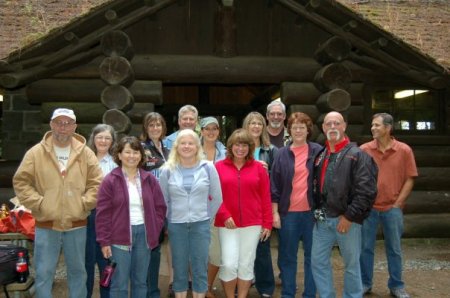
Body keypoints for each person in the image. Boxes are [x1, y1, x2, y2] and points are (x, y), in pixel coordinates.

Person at [13, 108, 103, 298]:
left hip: (76, 224)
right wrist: (39, 203)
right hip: (46, 224)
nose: (63, 127)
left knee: (78, 272)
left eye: (68, 123)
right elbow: (21, 181)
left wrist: (84, 203)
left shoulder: (85, 153)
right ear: (52, 125)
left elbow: (97, 183)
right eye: (59, 123)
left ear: (74, 127)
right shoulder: (36, 153)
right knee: (44, 273)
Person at [311, 111, 378, 298]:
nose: (332, 127)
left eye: (336, 123)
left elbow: (367, 192)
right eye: (328, 124)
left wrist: (350, 216)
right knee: (318, 262)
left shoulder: (358, 155)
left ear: (344, 126)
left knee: (351, 264)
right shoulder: (320, 155)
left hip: (346, 222)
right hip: (322, 221)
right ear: (323, 128)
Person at [96, 136, 167, 298]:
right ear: (119, 155)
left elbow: (160, 207)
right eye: (127, 152)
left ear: (141, 156)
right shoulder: (110, 181)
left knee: (140, 282)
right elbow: (103, 213)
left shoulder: (149, 179)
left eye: (136, 152)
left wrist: (154, 230)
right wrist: (104, 241)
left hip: (144, 235)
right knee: (119, 283)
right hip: (118, 237)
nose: (132, 156)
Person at [360, 113, 418, 298]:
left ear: (388, 128)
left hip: (392, 209)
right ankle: (365, 284)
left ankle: (396, 286)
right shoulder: (364, 150)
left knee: (394, 248)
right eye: (372, 125)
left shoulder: (404, 150)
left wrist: (398, 203)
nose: (373, 128)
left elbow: (410, 178)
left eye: (377, 125)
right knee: (365, 248)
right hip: (368, 209)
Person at [159, 129, 223, 298]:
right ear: (176, 146)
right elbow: (162, 200)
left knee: (199, 267)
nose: (186, 146)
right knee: (179, 267)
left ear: (197, 146)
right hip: (176, 225)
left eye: (191, 143)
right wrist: (170, 219)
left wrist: (206, 217)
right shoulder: (167, 170)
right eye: (183, 143)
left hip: (200, 224)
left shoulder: (208, 167)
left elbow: (217, 197)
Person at [214, 128, 273, 298]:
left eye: (245, 145)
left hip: (253, 223)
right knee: (229, 263)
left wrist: (267, 223)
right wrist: (224, 215)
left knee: (246, 263)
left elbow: (265, 197)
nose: (241, 149)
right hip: (227, 223)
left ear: (250, 148)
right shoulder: (218, 167)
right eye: (237, 145)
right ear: (230, 146)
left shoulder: (259, 168)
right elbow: (213, 195)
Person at [271, 112, 322, 298]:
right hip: (288, 214)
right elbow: (274, 185)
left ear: (308, 130)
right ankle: (288, 293)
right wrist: (274, 213)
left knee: (312, 257)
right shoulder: (282, 154)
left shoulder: (318, 151)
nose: (298, 130)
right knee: (287, 257)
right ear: (289, 130)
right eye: (294, 127)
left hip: (311, 214)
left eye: (302, 127)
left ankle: (309, 294)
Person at [242, 111, 277, 298]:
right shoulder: (238, 148)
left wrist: (268, 169)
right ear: (246, 126)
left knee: (262, 247)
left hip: (262, 203)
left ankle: (265, 287)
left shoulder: (270, 150)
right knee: (243, 249)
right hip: (243, 203)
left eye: (259, 124)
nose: (256, 127)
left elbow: (278, 178)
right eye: (252, 123)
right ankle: (244, 283)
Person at [140, 112, 171, 298]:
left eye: (158, 125)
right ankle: (145, 290)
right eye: (151, 125)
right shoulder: (141, 148)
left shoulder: (167, 149)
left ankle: (152, 290)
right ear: (146, 128)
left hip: (164, 207)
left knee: (156, 248)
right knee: (147, 250)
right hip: (147, 207)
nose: (155, 128)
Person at [86, 124, 118, 298]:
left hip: (108, 217)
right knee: (87, 261)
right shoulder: (84, 159)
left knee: (106, 261)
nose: (103, 141)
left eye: (107, 138)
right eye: (100, 137)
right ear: (94, 138)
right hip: (87, 215)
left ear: (112, 141)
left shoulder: (115, 163)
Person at [199, 117, 227, 298]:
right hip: (197, 208)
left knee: (217, 253)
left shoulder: (226, 151)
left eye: (214, 128)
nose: (210, 132)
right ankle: (200, 288)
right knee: (198, 251)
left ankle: (207, 286)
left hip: (219, 207)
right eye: (207, 128)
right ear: (201, 131)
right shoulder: (192, 149)